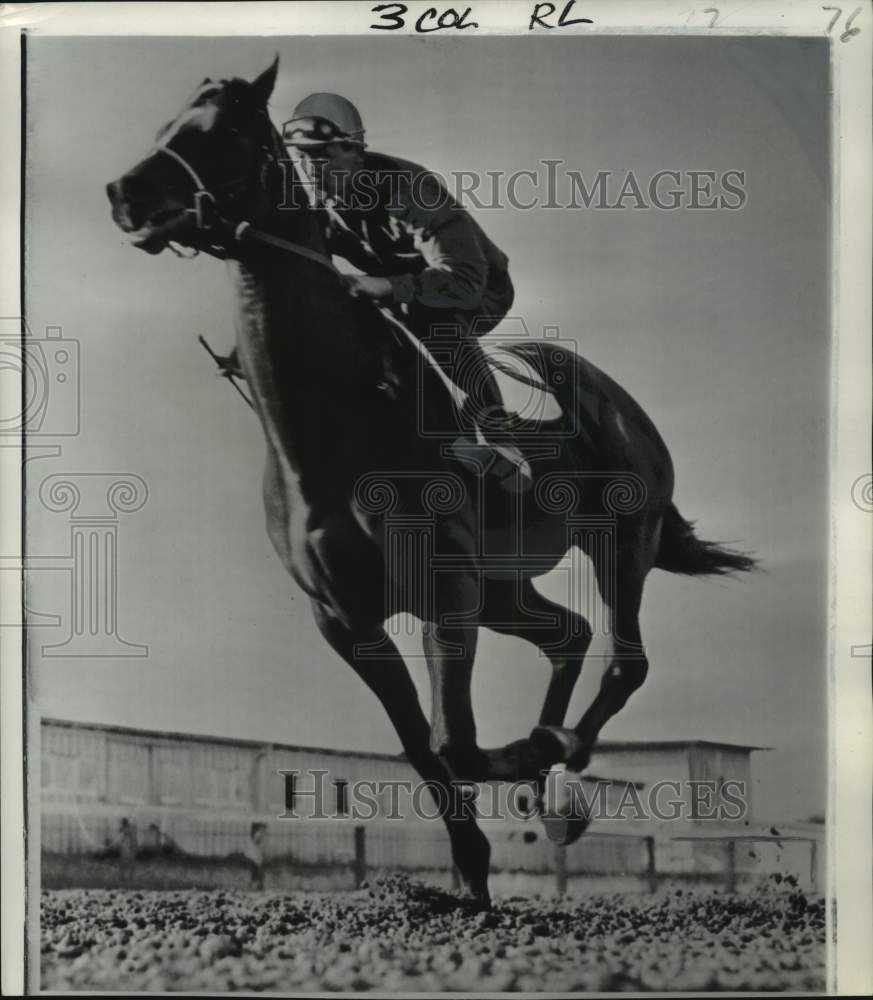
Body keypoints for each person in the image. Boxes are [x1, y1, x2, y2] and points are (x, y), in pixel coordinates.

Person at [280, 93, 530, 482]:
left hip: (476, 291)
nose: (309, 169)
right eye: (301, 157)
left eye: (321, 156)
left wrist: (382, 285)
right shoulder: (314, 205)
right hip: (401, 293)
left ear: (355, 154)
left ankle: (498, 436)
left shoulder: (412, 190)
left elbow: (462, 283)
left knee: (428, 315)